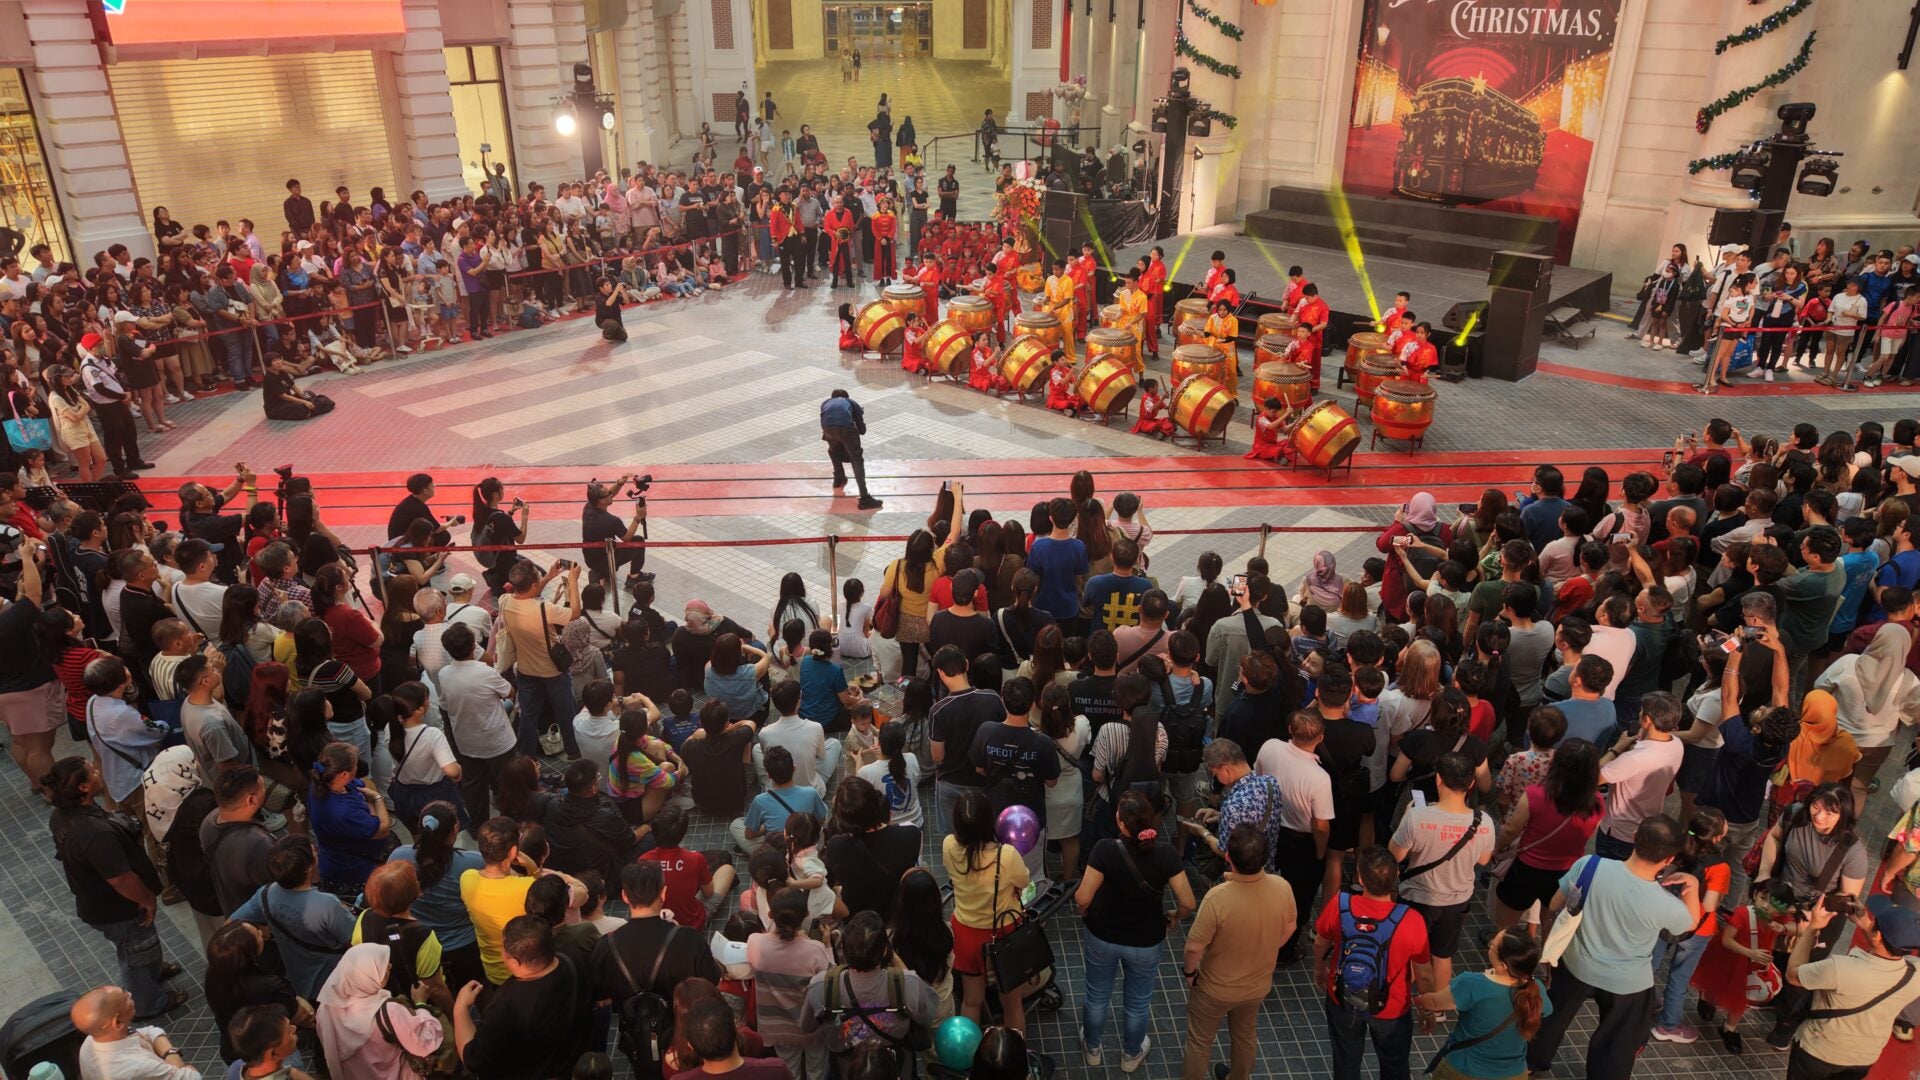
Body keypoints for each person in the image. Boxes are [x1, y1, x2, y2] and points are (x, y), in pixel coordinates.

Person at [1524, 815, 1701, 1080]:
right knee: (1617, 1045)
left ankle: (1529, 1064)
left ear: (1634, 838)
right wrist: (1693, 888)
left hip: (1576, 964)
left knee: (1553, 1017)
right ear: (1669, 859)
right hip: (1628, 983)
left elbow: (1554, 903)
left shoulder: (1589, 865)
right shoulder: (1664, 903)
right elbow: (1690, 922)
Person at [46, 758, 188, 1020]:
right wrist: (146, 899)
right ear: (84, 788)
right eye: (94, 772)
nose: (100, 772)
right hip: (118, 909)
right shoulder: (95, 834)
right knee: (135, 954)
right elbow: (120, 879)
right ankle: (147, 1002)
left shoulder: (62, 816)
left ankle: (154, 971)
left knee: (143, 945)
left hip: (98, 901)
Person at [1075, 789, 1196, 1071]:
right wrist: (1176, 916)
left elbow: (1082, 897)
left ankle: (1092, 1047)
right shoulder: (1165, 854)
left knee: (1096, 994)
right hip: (1146, 940)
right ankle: (1131, 1054)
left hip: (1102, 934)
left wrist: (1086, 913)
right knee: (1138, 1001)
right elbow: (1188, 901)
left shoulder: (1105, 849)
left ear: (1120, 823)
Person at [1180, 823, 1297, 1080]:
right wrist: (1265, 948)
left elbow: (1193, 947)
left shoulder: (1217, 898)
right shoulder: (1282, 887)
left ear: (1229, 857)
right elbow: (1290, 926)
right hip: (1257, 985)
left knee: (1200, 1042)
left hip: (1214, 988)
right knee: (1245, 1035)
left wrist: (1190, 973)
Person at [590, 862, 724, 1077]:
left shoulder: (606, 947)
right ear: (663, 892)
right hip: (686, 1035)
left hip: (637, 1038)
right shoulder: (689, 939)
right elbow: (712, 983)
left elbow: (601, 997)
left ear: (625, 896)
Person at [1387, 751, 1494, 991]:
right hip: (1457, 900)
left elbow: (1395, 855)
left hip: (1417, 897)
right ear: (1471, 784)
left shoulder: (1417, 816)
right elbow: (1485, 860)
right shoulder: (1483, 821)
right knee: (1442, 955)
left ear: (1438, 779)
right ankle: (1437, 1004)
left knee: (1408, 951)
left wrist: (1406, 817)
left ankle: (1401, 998)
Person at [1785, 893, 1920, 1079]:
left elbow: (1793, 975)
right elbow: (1888, 950)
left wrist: (1812, 928)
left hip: (1819, 1053)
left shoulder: (1839, 968)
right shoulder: (1915, 973)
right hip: (1863, 1058)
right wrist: (1866, 924)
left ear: (1878, 935)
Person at [452, 916, 593, 1079]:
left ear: (514, 962)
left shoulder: (505, 1008)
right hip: (574, 1063)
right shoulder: (573, 958)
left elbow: (473, 1060)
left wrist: (460, 1008)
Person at [944, 789, 1031, 1031]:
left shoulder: (949, 846)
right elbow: (1023, 881)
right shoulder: (1006, 855)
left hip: (966, 933)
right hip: (1003, 933)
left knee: (971, 1001)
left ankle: (970, 1055)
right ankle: (1015, 1055)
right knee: (1012, 1003)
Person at [1414, 928, 1549, 1080]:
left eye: (1493, 945)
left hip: (1465, 1070)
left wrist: (1420, 999)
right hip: (1513, 1073)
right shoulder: (1536, 989)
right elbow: (1546, 1010)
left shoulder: (1472, 984)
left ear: (1504, 965)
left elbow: (1432, 1002)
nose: (1490, 944)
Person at [315, 942, 447, 1080]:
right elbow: (424, 1043)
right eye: (381, 968)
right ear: (367, 978)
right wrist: (421, 1004)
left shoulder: (325, 1010)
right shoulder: (389, 1011)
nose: (389, 966)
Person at [69, 984, 197, 1080]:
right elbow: (192, 1076)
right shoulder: (136, 1067)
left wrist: (169, 1054)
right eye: (126, 998)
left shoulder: (90, 1042)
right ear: (117, 1023)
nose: (130, 994)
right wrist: (174, 1057)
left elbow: (150, 1031)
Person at [580, 475, 650, 588]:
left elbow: (609, 494)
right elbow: (627, 537)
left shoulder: (588, 507)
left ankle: (600, 573)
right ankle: (634, 576)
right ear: (602, 501)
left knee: (607, 548)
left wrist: (619, 484)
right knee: (638, 541)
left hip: (590, 558)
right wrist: (638, 516)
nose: (611, 494)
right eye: (608, 494)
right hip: (607, 559)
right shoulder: (611, 520)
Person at [820, 389, 882, 509]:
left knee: (833, 450)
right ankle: (865, 499)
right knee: (857, 459)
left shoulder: (825, 402)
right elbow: (862, 430)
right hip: (846, 428)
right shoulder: (851, 402)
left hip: (827, 428)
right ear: (846, 397)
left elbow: (828, 421)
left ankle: (839, 477)